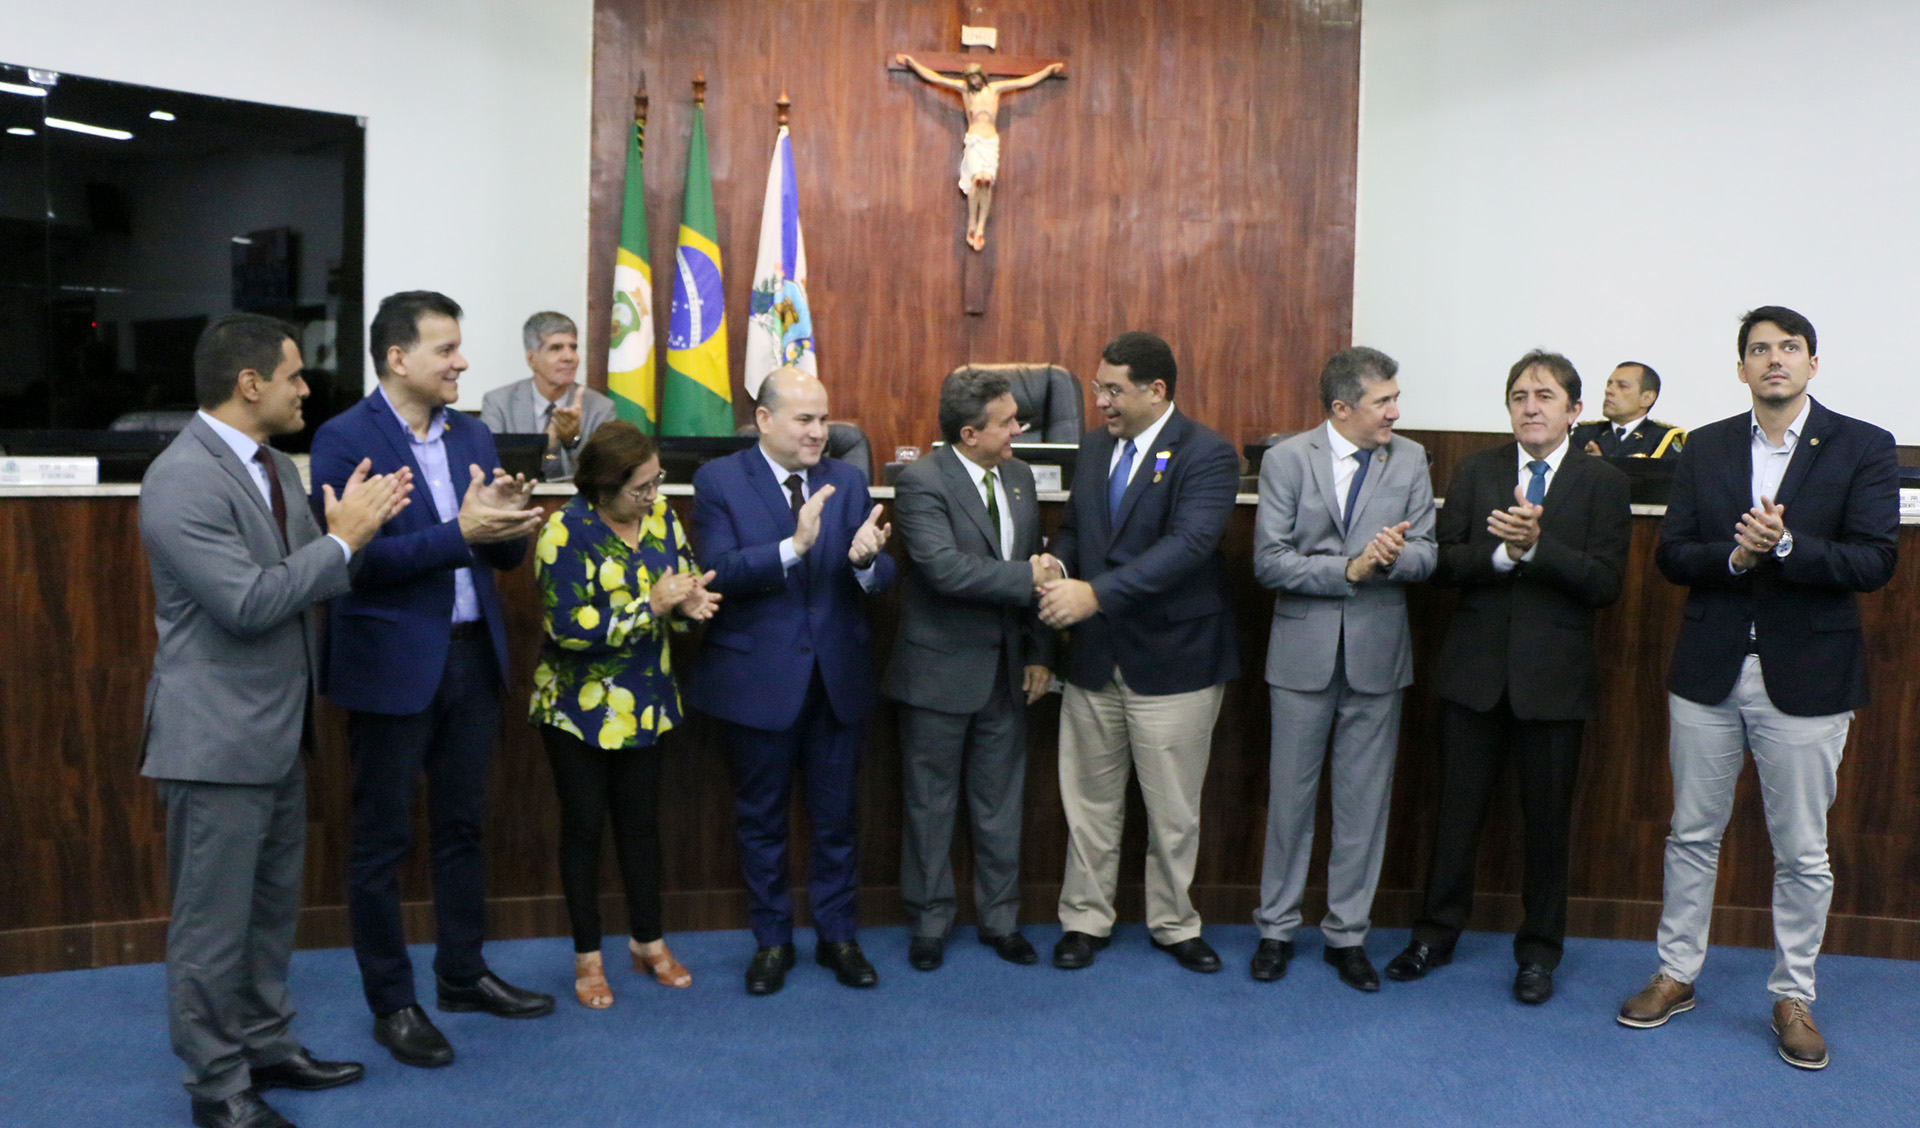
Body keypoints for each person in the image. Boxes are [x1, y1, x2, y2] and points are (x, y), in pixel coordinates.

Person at [139, 313, 411, 1128]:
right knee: (211, 929)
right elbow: (249, 603)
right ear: (249, 383)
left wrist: (358, 537)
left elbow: (313, 575)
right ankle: (219, 1089)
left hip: (278, 732)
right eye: (294, 375)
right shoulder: (180, 478)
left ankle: (265, 1044)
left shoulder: (274, 468)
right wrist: (341, 541)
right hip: (214, 740)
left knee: (266, 914)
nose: (307, 388)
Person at [1617, 306, 1897, 1070]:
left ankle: (1793, 993)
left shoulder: (1862, 446)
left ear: (1812, 363)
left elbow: (1875, 562)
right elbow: (1675, 555)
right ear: (1741, 369)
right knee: (1691, 834)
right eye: (1758, 350)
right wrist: (1738, 560)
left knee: (1802, 851)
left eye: (1789, 348)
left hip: (1808, 677)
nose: (1774, 360)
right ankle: (1677, 974)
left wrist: (1788, 547)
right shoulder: (1704, 447)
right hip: (1709, 670)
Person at [308, 290, 554, 1070]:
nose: (462, 362)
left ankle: (461, 973)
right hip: (389, 666)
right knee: (381, 841)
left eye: (459, 347)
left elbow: (497, 555)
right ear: (398, 359)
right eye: (446, 349)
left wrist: (509, 523)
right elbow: (357, 561)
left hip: (472, 658)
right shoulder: (344, 440)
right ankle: (394, 1002)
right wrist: (463, 533)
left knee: (462, 827)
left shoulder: (474, 431)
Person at [1385, 351, 1630, 1005]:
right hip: (1474, 676)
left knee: (1547, 826)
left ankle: (1539, 953)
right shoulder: (1478, 470)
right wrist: (1501, 553)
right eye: (1519, 395)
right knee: (1455, 817)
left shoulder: (1601, 483)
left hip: (1554, 683)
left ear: (1575, 411)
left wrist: (1538, 550)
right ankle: (1433, 936)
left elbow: (1606, 583)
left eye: (1545, 395)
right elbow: (1445, 561)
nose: (1530, 406)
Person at [686, 365, 896, 995]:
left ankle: (838, 936)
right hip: (757, 681)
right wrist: (791, 548)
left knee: (836, 818)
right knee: (762, 819)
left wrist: (865, 564)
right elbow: (717, 571)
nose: (818, 432)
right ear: (765, 420)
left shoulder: (848, 480)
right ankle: (772, 940)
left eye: (824, 419)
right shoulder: (719, 480)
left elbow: (881, 576)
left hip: (836, 678)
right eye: (805, 419)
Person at [1037, 330, 1240, 975]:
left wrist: (1093, 593)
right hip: (1096, 661)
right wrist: (1055, 563)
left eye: (1112, 389)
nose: (1100, 401)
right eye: (1098, 388)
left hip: (1175, 660)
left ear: (1156, 391)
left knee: (1173, 810)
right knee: (1090, 804)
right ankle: (1085, 920)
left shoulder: (1207, 454)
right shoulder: (1095, 449)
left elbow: (1188, 546)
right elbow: (1076, 528)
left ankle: (1175, 924)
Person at [1249, 346, 1436, 991]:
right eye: (1383, 401)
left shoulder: (1409, 458)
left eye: (1394, 397)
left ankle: (1346, 935)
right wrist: (1348, 569)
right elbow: (1269, 562)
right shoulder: (1285, 460)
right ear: (1341, 408)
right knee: (1289, 802)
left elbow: (1428, 556)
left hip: (1377, 657)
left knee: (1363, 805)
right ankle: (1276, 928)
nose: (1395, 411)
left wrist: (1390, 559)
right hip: (1300, 656)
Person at [531, 421, 720, 1008]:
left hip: (646, 701)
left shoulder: (662, 520)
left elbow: (679, 591)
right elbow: (567, 631)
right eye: (642, 487)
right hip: (577, 709)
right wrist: (652, 605)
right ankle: (588, 958)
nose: (653, 496)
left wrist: (692, 605)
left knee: (641, 827)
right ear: (604, 487)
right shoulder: (564, 531)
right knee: (585, 830)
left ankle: (648, 942)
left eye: (656, 482)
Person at [883, 368, 1055, 972]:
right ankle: (929, 922)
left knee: (1000, 804)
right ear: (969, 432)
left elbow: (1029, 558)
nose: (1019, 430)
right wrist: (1031, 577)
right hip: (937, 674)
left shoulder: (1018, 477)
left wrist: (1038, 653)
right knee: (931, 805)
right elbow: (945, 570)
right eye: (1007, 422)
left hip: (1007, 670)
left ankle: (1000, 920)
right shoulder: (921, 482)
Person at [895, 53, 1064, 251]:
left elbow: (1025, 81)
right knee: (977, 180)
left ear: (982, 76)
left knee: (986, 183)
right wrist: (912, 63)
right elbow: (936, 78)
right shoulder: (965, 91)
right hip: (974, 140)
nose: (973, 81)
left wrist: (1047, 71)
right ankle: (971, 224)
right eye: (970, 78)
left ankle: (980, 227)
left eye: (976, 77)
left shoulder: (995, 89)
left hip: (990, 141)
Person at [479, 311, 617, 480]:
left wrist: (571, 440)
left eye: (573, 347)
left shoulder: (600, 407)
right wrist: (547, 445)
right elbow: (491, 467)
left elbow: (601, 475)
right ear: (531, 358)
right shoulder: (499, 403)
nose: (569, 357)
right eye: (556, 348)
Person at [1573, 362, 1685, 458]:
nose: (1609, 390)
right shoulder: (1584, 434)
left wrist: (1599, 465)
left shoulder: (1662, 439)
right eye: (1609, 384)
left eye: (1622, 386)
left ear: (1647, 398)